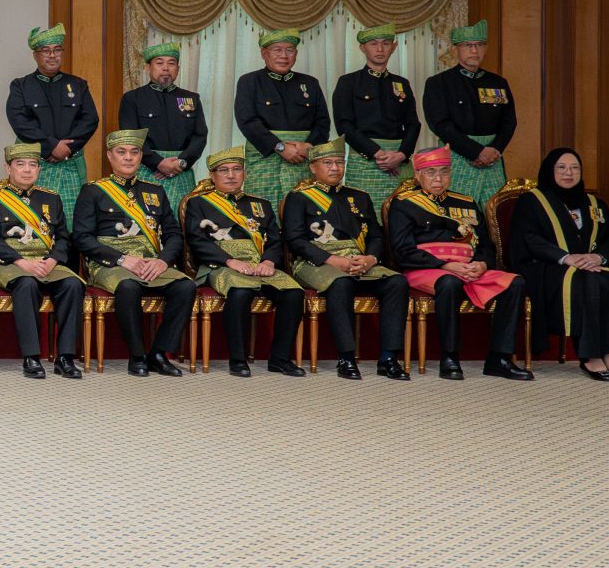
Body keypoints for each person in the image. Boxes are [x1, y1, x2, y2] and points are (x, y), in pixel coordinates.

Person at [385, 146, 532, 381]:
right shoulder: (404, 204)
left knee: (514, 283)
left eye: (444, 171)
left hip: (469, 268)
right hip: (426, 269)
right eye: (431, 172)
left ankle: (500, 358)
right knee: (449, 283)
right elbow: (402, 250)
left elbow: (486, 245)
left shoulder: (466, 203)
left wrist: (482, 265)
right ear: (418, 175)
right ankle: (450, 357)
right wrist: (445, 265)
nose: (438, 178)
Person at [283, 140, 411, 381]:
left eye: (339, 162)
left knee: (397, 282)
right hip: (316, 262)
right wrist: (332, 260)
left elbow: (376, 235)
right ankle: (347, 358)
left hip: (360, 261)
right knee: (342, 283)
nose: (335, 168)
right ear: (312, 167)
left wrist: (371, 258)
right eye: (327, 163)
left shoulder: (359, 197)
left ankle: (388, 358)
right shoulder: (299, 198)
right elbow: (295, 240)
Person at [507, 146, 609, 380]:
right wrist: (566, 257)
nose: (569, 173)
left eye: (575, 168)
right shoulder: (533, 201)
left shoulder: (594, 203)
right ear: (550, 170)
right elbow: (529, 238)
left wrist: (597, 257)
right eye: (562, 168)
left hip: (591, 265)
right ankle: (591, 357)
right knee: (590, 282)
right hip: (550, 267)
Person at [72, 128, 194, 377]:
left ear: (140, 156)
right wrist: (122, 259)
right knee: (128, 287)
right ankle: (137, 355)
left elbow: (173, 234)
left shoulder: (155, 191)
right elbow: (82, 238)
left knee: (185, 287)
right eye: (121, 152)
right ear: (110, 156)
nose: (128, 157)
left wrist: (162, 261)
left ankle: (158, 354)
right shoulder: (93, 191)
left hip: (151, 262)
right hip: (110, 263)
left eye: (134, 152)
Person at [182, 145, 307, 377]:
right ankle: (238, 360)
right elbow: (197, 241)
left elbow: (275, 240)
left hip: (259, 265)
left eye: (237, 169)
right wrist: (230, 261)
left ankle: (279, 359)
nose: (231, 175)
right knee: (240, 292)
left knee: (293, 294)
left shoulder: (261, 204)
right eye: (224, 170)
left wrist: (268, 262)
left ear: (245, 173)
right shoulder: (199, 203)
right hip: (220, 265)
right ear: (212, 175)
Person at [0, 142, 86, 379]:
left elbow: (63, 238)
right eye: (20, 164)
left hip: (46, 263)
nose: (27, 170)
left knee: (72, 284)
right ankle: (32, 357)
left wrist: (53, 260)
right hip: (9, 264)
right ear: (8, 168)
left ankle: (65, 357)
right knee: (26, 284)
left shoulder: (51, 199)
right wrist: (22, 262)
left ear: (39, 169)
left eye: (32, 165)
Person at [422, 21, 518, 210]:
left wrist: (494, 150)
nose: (474, 50)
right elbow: (440, 125)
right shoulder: (439, 83)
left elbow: (509, 122)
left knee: (495, 214)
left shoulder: (498, 83)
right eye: (468, 45)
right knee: (459, 214)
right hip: (459, 158)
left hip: (492, 159)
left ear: (485, 48)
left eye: (479, 45)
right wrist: (476, 152)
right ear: (455, 49)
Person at [6, 24, 100, 213]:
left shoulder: (78, 85)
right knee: (34, 216)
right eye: (45, 51)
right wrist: (51, 146)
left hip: (70, 164)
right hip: (35, 165)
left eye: (57, 50)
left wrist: (67, 149)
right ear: (35, 55)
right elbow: (20, 122)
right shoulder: (21, 86)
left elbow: (90, 120)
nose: (52, 55)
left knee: (73, 217)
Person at [234, 29, 329, 213]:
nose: (284, 56)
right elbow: (247, 121)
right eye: (277, 50)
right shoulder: (250, 81)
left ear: (296, 54)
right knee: (263, 213)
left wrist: (309, 146)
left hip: (303, 159)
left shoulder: (310, 83)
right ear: (264, 53)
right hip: (265, 161)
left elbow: (322, 122)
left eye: (289, 50)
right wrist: (280, 147)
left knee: (305, 213)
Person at [333, 24, 420, 211]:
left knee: (404, 214)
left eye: (386, 43)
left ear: (393, 47)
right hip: (366, 160)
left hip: (399, 161)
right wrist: (379, 154)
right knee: (363, 214)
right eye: (373, 44)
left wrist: (401, 155)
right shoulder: (348, 82)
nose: (380, 49)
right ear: (362, 48)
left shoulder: (401, 83)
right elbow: (344, 125)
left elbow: (413, 124)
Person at [118, 42, 206, 209]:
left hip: (181, 170)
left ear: (177, 69)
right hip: (147, 169)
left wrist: (181, 162)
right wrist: (158, 163)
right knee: (147, 217)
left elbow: (200, 136)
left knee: (184, 217)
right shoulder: (132, 99)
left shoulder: (191, 98)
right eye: (159, 63)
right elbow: (131, 138)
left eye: (171, 63)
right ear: (147, 68)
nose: (166, 68)